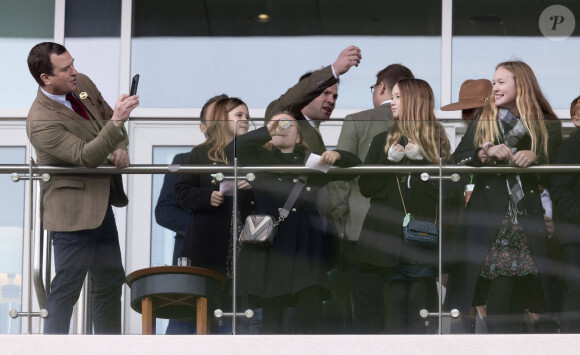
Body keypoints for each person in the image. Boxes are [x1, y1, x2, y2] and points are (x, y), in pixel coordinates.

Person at [26, 42, 139, 334]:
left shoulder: (83, 83)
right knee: (67, 287)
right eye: (66, 69)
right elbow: (87, 156)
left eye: (73, 63)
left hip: (101, 206)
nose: (75, 72)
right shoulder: (40, 121)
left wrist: (121, 147)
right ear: (45, 78)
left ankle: (107, 347)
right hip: (70, 214)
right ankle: (52, 350)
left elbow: (110, 125)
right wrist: (116, 123)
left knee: (111, 281)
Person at [445, 60, 562, 333]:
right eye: (494, 82)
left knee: (522, 302)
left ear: (520, 84)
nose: (495, 88)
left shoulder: (546, 125)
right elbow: (456, 161)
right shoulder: (484, 119)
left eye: (501, 82)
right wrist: (483, 154)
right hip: (488, 223)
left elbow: (559, 172)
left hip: (527, 223)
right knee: (498, 299)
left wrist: (537, 157)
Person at [228, 113, 361, 334]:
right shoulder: (260, 159)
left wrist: (337, 155)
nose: (281, 127)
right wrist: (266, 131)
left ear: (298, 137)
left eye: (287, 123)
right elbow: (232, 150)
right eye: (276, 123)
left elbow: (355, 166)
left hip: (305, 248)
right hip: (272, 249)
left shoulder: (311, 163)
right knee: (272, 321)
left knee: (307, 318)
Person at [354, 79, 451, 334]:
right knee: (393, 308)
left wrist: (422, 164)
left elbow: (448, 192)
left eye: (397, 97)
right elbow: (366, 188)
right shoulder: (381, 139)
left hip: (421, 238)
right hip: (387, 239)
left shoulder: (436, 138)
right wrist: (389, 163)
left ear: (414, 101)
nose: (392, 102)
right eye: (392, 96)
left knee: (420, 305)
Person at [328, 64, 414, 333]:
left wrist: (339, 223)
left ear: (381, 88)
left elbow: (341, 178)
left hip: (360, 229)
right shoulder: (421, 122)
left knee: (367, 312)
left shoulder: (357, 120)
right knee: (405, 312)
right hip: (409, 230)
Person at [154, 93, 227, 334]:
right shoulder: (185, 160)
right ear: (203, 127)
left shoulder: (245, 162)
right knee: (184, 332)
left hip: (232, 264)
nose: (222, 121)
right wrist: (203, 228)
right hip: (192, 263)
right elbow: (164, 211)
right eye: (216, 116)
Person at [265, 45, 362, 153]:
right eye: (325, 93)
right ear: (310, 93)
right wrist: (334, 70)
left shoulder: (314, 131)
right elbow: (290, 100)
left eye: (335, 96)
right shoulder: (287, 115)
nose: (331, 101)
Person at [550, 94, 580, 333]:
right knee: (575, 290)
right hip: (574, 234)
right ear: (576, 119)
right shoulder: (569, 148)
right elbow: (560, 191)